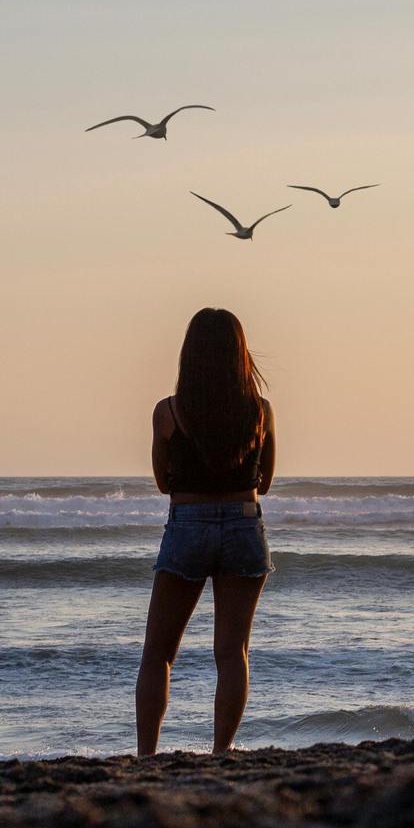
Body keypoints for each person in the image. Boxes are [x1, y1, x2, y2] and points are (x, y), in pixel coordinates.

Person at [137, 308, 276, 755]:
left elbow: (163, 483)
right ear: (240, 353)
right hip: (242, 523)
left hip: (189, 526)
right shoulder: (260, 411)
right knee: (232, 651)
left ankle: (146, 756)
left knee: (159, 652)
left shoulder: (168, 412)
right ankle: (221, 752)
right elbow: (264, 483)